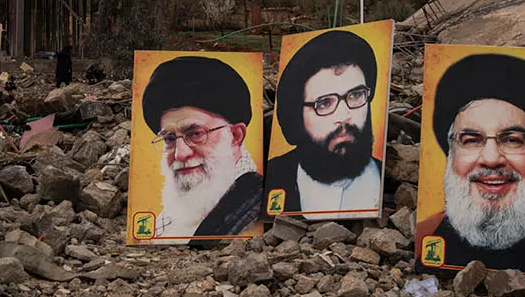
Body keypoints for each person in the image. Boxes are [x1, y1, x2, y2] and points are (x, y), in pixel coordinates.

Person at [416, 53, 525, 272]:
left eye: (512, 140)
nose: (490, 159)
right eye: (471, 140)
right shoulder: (426, 235)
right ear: (451, 152)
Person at [263, 30, 383, 219]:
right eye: (324, 103)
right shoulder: (268, 180)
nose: (344, 116)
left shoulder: (389, 182)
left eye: (355, 95)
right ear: (298, 116)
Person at [141, 56, 262, 238]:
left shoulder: (254, 207)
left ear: (235, 136)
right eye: (170, 139)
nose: (180, 154)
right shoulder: (166, 219)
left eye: (196, 134)